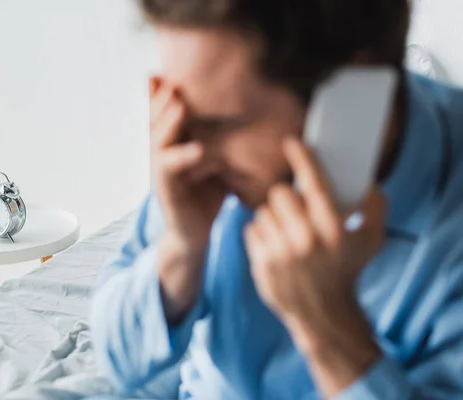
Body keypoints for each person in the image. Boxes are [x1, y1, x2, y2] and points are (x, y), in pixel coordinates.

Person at [90, 0, 463, 399]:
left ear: (350, 99)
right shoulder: (206, 167)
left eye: (222, 123)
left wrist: (330, 330)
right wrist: (182, 249)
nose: (189, 149)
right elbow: (118, 359)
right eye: (180, 108)